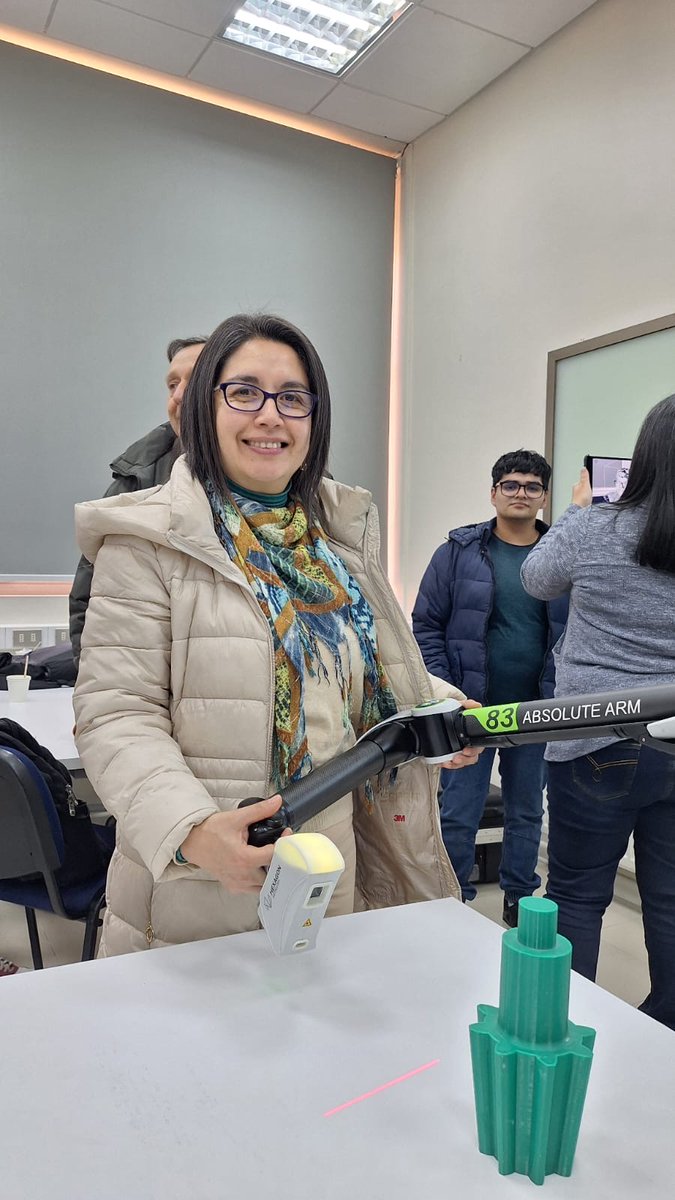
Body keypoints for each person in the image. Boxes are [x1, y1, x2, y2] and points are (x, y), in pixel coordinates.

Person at [72, 313, 480, 956]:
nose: (271, 415)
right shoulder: (145, 541)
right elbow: (116, 715)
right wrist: (194, 830)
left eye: (292, 397)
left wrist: (435, 708)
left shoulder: (336, 543)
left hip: (331, 864)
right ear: (204, 409)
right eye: (244, 392)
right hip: (203, 885)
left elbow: (356, 674)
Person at [521, 396, 675, 1031]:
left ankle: (569, 1027)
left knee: (577, 895)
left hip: (594, 736)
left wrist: (576, 511)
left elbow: (536, 579)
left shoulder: (594, 527)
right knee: (670, 902)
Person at [412, 450, 567, 925]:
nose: (521, 494)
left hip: (536, 708)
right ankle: (453, 900)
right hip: (471, 710)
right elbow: (426, 625)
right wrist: (450, 692)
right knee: (459, 810)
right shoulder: (459, 552)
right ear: (494, 492)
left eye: (532, 487)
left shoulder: (560, 555)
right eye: (511, 485)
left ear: (543, 497)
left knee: (526, 812)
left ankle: (519, 900)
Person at [68, 335, 207, 666]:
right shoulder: (132, 487)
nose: (178, 395)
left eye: (197, 381)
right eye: (172, 384)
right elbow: (89, 603)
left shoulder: (302, 491)